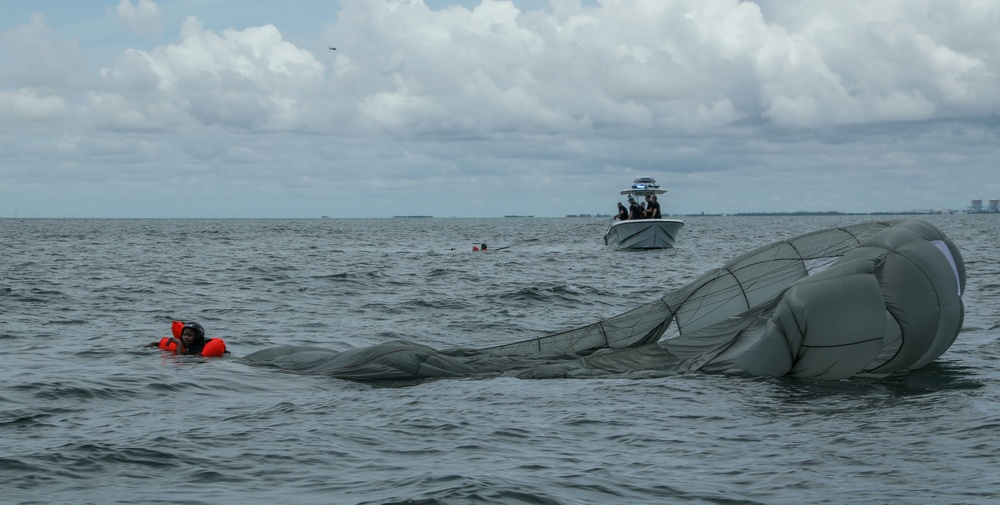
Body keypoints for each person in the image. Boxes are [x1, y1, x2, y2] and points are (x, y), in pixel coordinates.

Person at [148, 321, 227, 357]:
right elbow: (157, 344)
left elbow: (180, 356)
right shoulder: (183, 341)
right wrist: (150, 345)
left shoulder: (199, 348)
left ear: (196, 337)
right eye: (184, 334)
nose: (185, 337)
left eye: (189, 335)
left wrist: (179, 344)